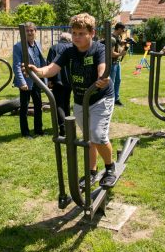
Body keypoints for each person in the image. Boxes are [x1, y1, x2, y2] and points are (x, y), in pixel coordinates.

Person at [26, 13, 118, 188]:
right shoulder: (69, 51)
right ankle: (91, 171)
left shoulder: (98, 49)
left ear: (92, 33)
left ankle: (109, 168)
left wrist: (102, 77)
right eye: (74, 33)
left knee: (98, 135)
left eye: (81, 33)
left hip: (100, 98)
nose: (76, 37)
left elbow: (103, 66)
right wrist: (37, 71)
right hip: (80, 100)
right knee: (87, 138)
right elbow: (52, 69)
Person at [12, 22, 46, 138]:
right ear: (24, 32)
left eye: (32, 30)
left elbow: (42, 62)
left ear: (35, 32)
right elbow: (16, 66)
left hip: (37, 80)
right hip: (26, 82)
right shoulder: (18, 46)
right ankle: (25, 133)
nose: (30, 33)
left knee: (38, 106)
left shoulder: (38, 44)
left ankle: (38, 130)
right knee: (24, 108)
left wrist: (44, 79)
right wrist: (21, 82)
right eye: (27, 31)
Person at [47, 32, 72, 136]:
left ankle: (63, 128)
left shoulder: (54, 48)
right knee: (66, 103)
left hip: (58, 80)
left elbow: (49, 64)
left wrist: (50, 80)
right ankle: (69, 126)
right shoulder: (72, 48)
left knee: (59, 104)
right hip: (70, 80)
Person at [109, 22, 128, 106]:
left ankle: (116, 99)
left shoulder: (118, 37)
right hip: (112, 63)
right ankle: (110, 100)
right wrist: (121, 54)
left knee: (118, 80)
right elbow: (111, 53)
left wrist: (126, 43)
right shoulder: (112, 38)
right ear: (119, 29)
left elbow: (119, 44)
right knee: (111, 82)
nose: (123, 31)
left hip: (117, 63)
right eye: (123, 30)